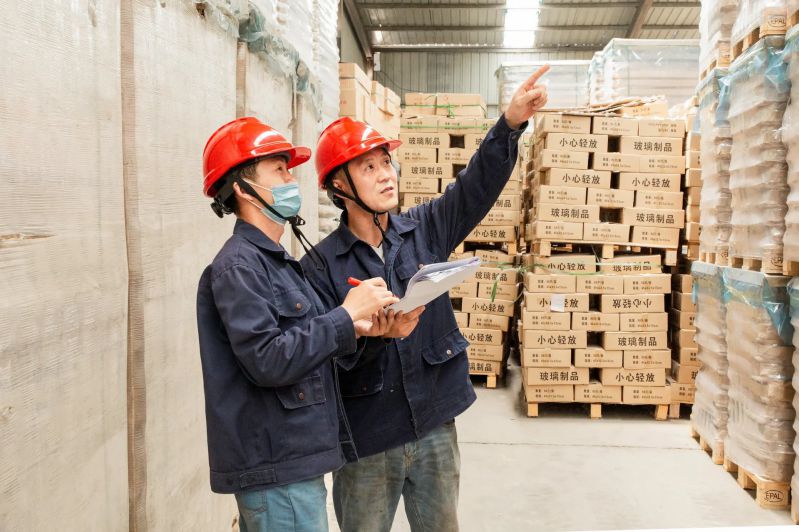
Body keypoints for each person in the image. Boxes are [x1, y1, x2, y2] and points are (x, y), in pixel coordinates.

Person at [300, 66, 550, 532]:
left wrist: (510, 123)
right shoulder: (320, 266)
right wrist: (370, 337)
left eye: (385, 162)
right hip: (368, 440)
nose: (385, 175)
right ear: (339, 186)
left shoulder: (425, 228)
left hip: (434, 425)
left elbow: (476, 187)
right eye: (368, 167)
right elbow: (321, 356)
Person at [196, 117, 401, 532]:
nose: (292, 179)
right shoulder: (238, 267)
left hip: (293, 464)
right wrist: (344, 315)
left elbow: (300, 346)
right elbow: (268, 360)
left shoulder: (276, 262)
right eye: (279, 169)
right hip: (276, 470)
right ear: (242, 188)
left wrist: (359, 331)